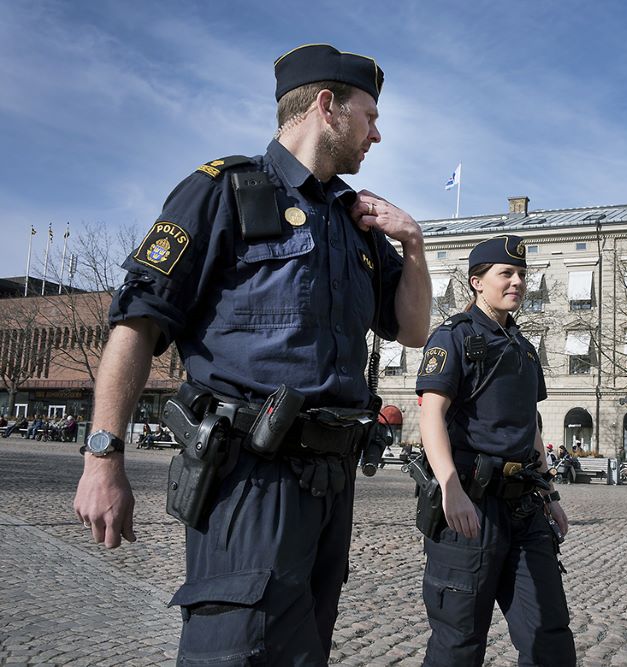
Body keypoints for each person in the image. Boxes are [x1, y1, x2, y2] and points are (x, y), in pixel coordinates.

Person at [72, 43, 431, 664]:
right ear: (327, 106)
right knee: (235, 649)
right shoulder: (222, 191)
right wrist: (103, 457)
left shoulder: (354, 222)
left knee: (303, 652)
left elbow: (413, 329)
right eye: (369, 115)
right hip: (249, 477)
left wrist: (416, 246)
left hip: (331, 484)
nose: (378, 132)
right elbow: (136, 323)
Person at [415, 235, 575, 666]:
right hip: (471, 510)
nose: (518, 282)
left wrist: (550, 495)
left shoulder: (524, 347)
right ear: (476, 282)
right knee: (458, 643)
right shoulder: (453, 338)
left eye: (522, 274)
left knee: (551, 640)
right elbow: (430, 414)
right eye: (506, 273)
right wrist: (451, 487)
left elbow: (532, 429)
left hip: (525, 509)